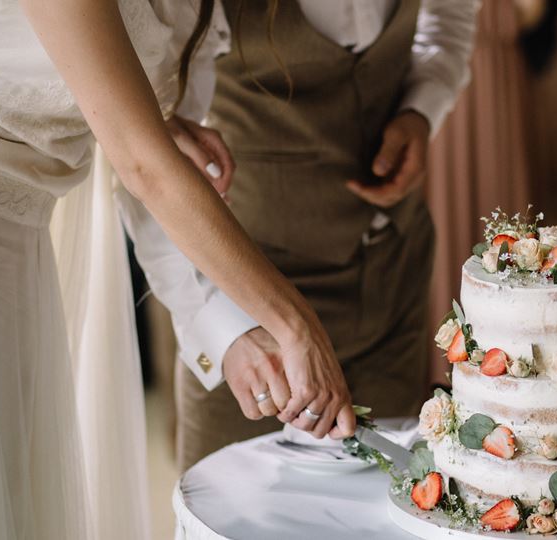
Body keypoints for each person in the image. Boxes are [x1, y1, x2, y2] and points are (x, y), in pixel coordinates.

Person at [0, 0, 354, 538]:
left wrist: (234, 332)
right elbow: (146, 164)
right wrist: (295, 323)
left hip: (20, 255)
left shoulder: (199, 12)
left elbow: (155, 168)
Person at [170, 0, 481, 472]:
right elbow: (149, 160)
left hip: (394, 283)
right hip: (251, 318)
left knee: (380, 510)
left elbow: (451, 15)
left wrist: (422, 109)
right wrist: (224, 324)